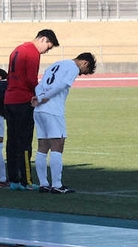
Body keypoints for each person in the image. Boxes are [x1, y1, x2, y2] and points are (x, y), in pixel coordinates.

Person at [32, 53, 96, 194]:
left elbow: (40, 84)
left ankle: (43, 183)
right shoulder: (73, 67)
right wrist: (45, 98)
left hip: (39, 110)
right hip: (53, 109)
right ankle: (57, 184)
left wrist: (38, 97)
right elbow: (62, 85)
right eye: (83, 72)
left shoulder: (56, 63)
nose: (80, 74)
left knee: (42, 146)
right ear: (85, 63)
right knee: (57, 144)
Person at [4, 29, 59, 191]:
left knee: (12, 142)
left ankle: (13, 179)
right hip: (22, 100)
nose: (47, 51)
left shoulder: (18, 49)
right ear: (43, 39)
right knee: (25, 142)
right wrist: (40, 94)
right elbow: (30, 79)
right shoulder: (32, 53)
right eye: (48, 47)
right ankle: (26, 180)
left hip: (9, 99)